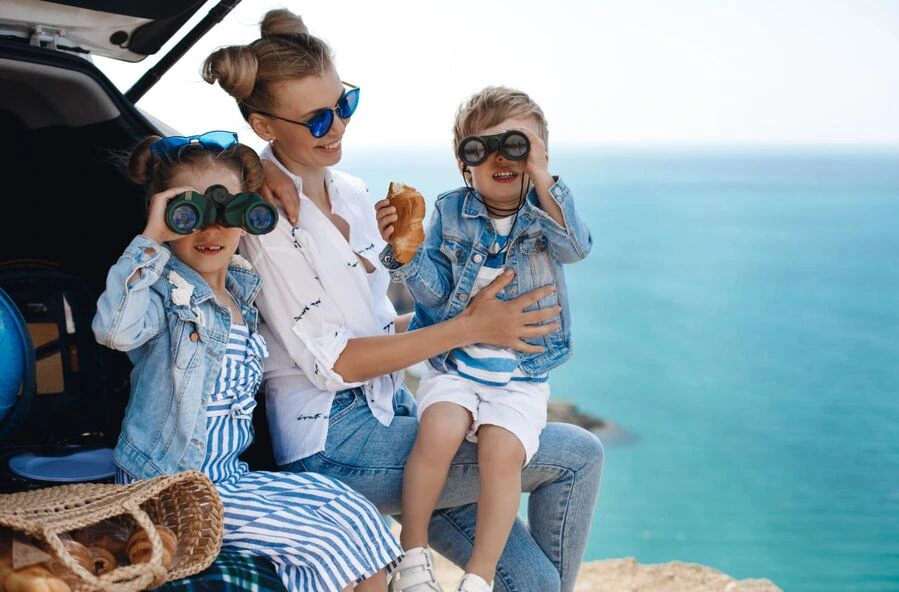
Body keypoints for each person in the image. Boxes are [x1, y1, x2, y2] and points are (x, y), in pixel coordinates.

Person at [202, 9, 603, 592]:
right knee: (578, 454)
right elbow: (334, 362)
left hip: (399, 417)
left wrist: (491, 319)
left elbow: (386, 323)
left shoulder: (356, 193)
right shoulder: (265, 220)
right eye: (316, 118)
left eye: (344, 104)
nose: (336, 126)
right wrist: (469, 328)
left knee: (532, 581)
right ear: (264, 125)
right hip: (333, 442)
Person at [92, 131, 402, 592]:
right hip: (173, 488)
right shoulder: (163, 293)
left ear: (247, 216)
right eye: (190, 214)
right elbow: (114, 330)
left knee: (353, 511)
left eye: (227, 212)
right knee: (333, 534)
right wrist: (151, 238)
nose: (210, 230)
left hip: (228, 478)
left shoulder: (243, 288)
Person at [374, 86, 591, 592]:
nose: (499, 157)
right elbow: (433, 292)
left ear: (537, 152)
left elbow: (575, 248)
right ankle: (413, 555)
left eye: (514, 145)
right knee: (438, 434)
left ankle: (480, 576)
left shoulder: (544, 213)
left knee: (501, 455)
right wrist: (404, 255)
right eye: (481, 149)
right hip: (455, 362)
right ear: (464, 164)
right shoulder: (450, 212)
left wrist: (543, 176)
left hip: (520, 375)